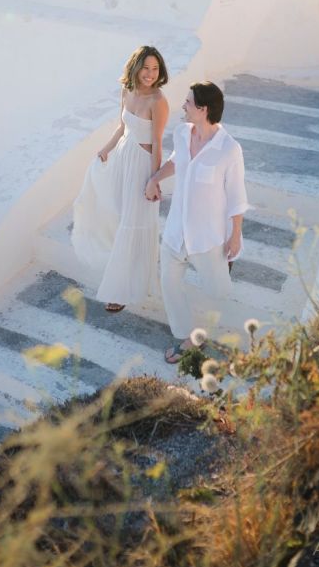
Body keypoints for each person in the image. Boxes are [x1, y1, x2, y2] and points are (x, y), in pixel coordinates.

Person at [145, 80, 248, 363]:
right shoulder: (182, 133)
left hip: (208, 238)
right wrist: (155, 178)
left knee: (219, 292)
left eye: (188, 102)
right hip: (176, 231)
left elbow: (237, 195)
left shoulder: (229, 149)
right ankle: (187, 337)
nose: (183, 106)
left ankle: (225, 269)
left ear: (203, 109)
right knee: (168, 283)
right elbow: (178, 161)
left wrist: (235, 235)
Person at [72, 45, 169, 313]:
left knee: (133, 223)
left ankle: (122, 290)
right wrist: (106, 149)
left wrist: (154, 179)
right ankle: (125, 276)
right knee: (118, 216)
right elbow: (122, 126)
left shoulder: (158, 102)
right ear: (136, 68)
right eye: (146, 68)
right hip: (122, 160)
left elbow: (158, 144)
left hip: (142, 165)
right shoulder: (127, 91)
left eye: (155, 69)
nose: (150, 74)